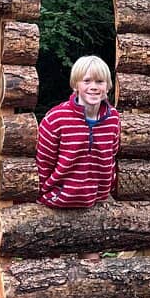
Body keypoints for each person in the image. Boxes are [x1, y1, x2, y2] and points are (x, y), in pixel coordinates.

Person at [35, 55, 121, 209]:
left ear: (108, 86)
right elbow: (43, 163)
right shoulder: (56, 119)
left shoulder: (113, 118)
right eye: (87, 81)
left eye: (100, 81)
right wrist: (45, 193)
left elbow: (111, 157)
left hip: (98, 202)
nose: (93, 87)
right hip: (57, 200)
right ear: (75, 85)